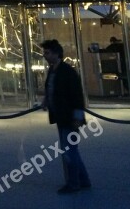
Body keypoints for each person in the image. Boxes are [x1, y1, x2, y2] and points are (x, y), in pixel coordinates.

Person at [40, 39, 91, 194]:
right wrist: (46, 100)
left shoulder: (67, 72)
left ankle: (74, 183)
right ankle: (83, 180)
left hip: (69, 118)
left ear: (56, 53)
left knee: (69, 151)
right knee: (71, 150)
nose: (45, 56)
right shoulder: (53, 70)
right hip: (62, 117)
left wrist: (77, 117)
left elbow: (77, 96)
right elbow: (52, 88)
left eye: (47, 53)